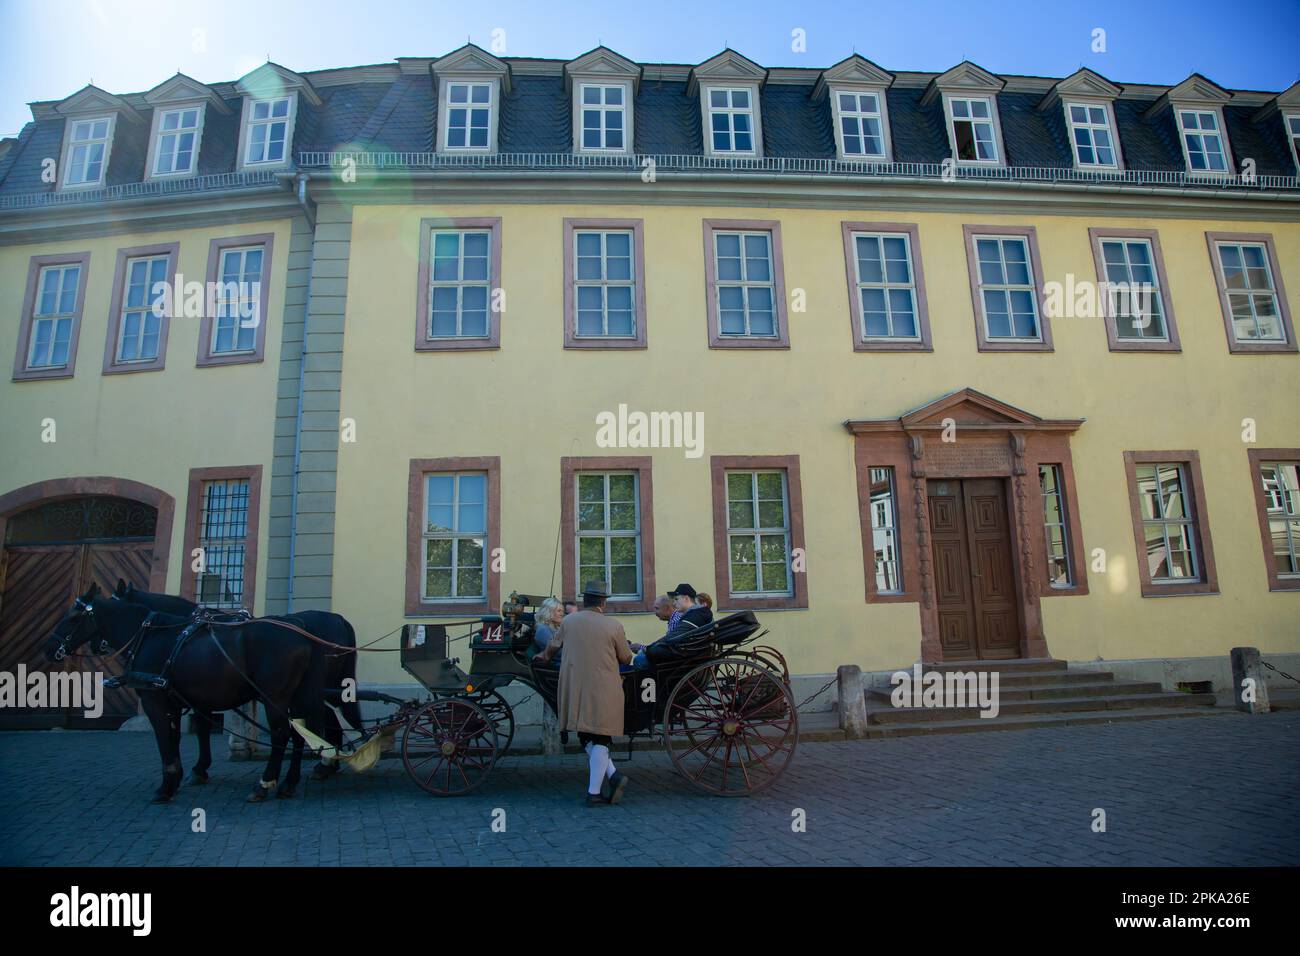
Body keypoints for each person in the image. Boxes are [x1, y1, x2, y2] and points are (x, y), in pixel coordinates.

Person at [535, 580, 632, 806]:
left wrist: (543, 657)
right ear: (603, 603)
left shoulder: (568, 621)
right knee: (601, 737)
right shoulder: (613, 625)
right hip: (604, 686)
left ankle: (614, 777)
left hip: (574, 685)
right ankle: (594, 793)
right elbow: (626, 657)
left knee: (586, 734)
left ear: (584, 600)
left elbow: (552, 646)